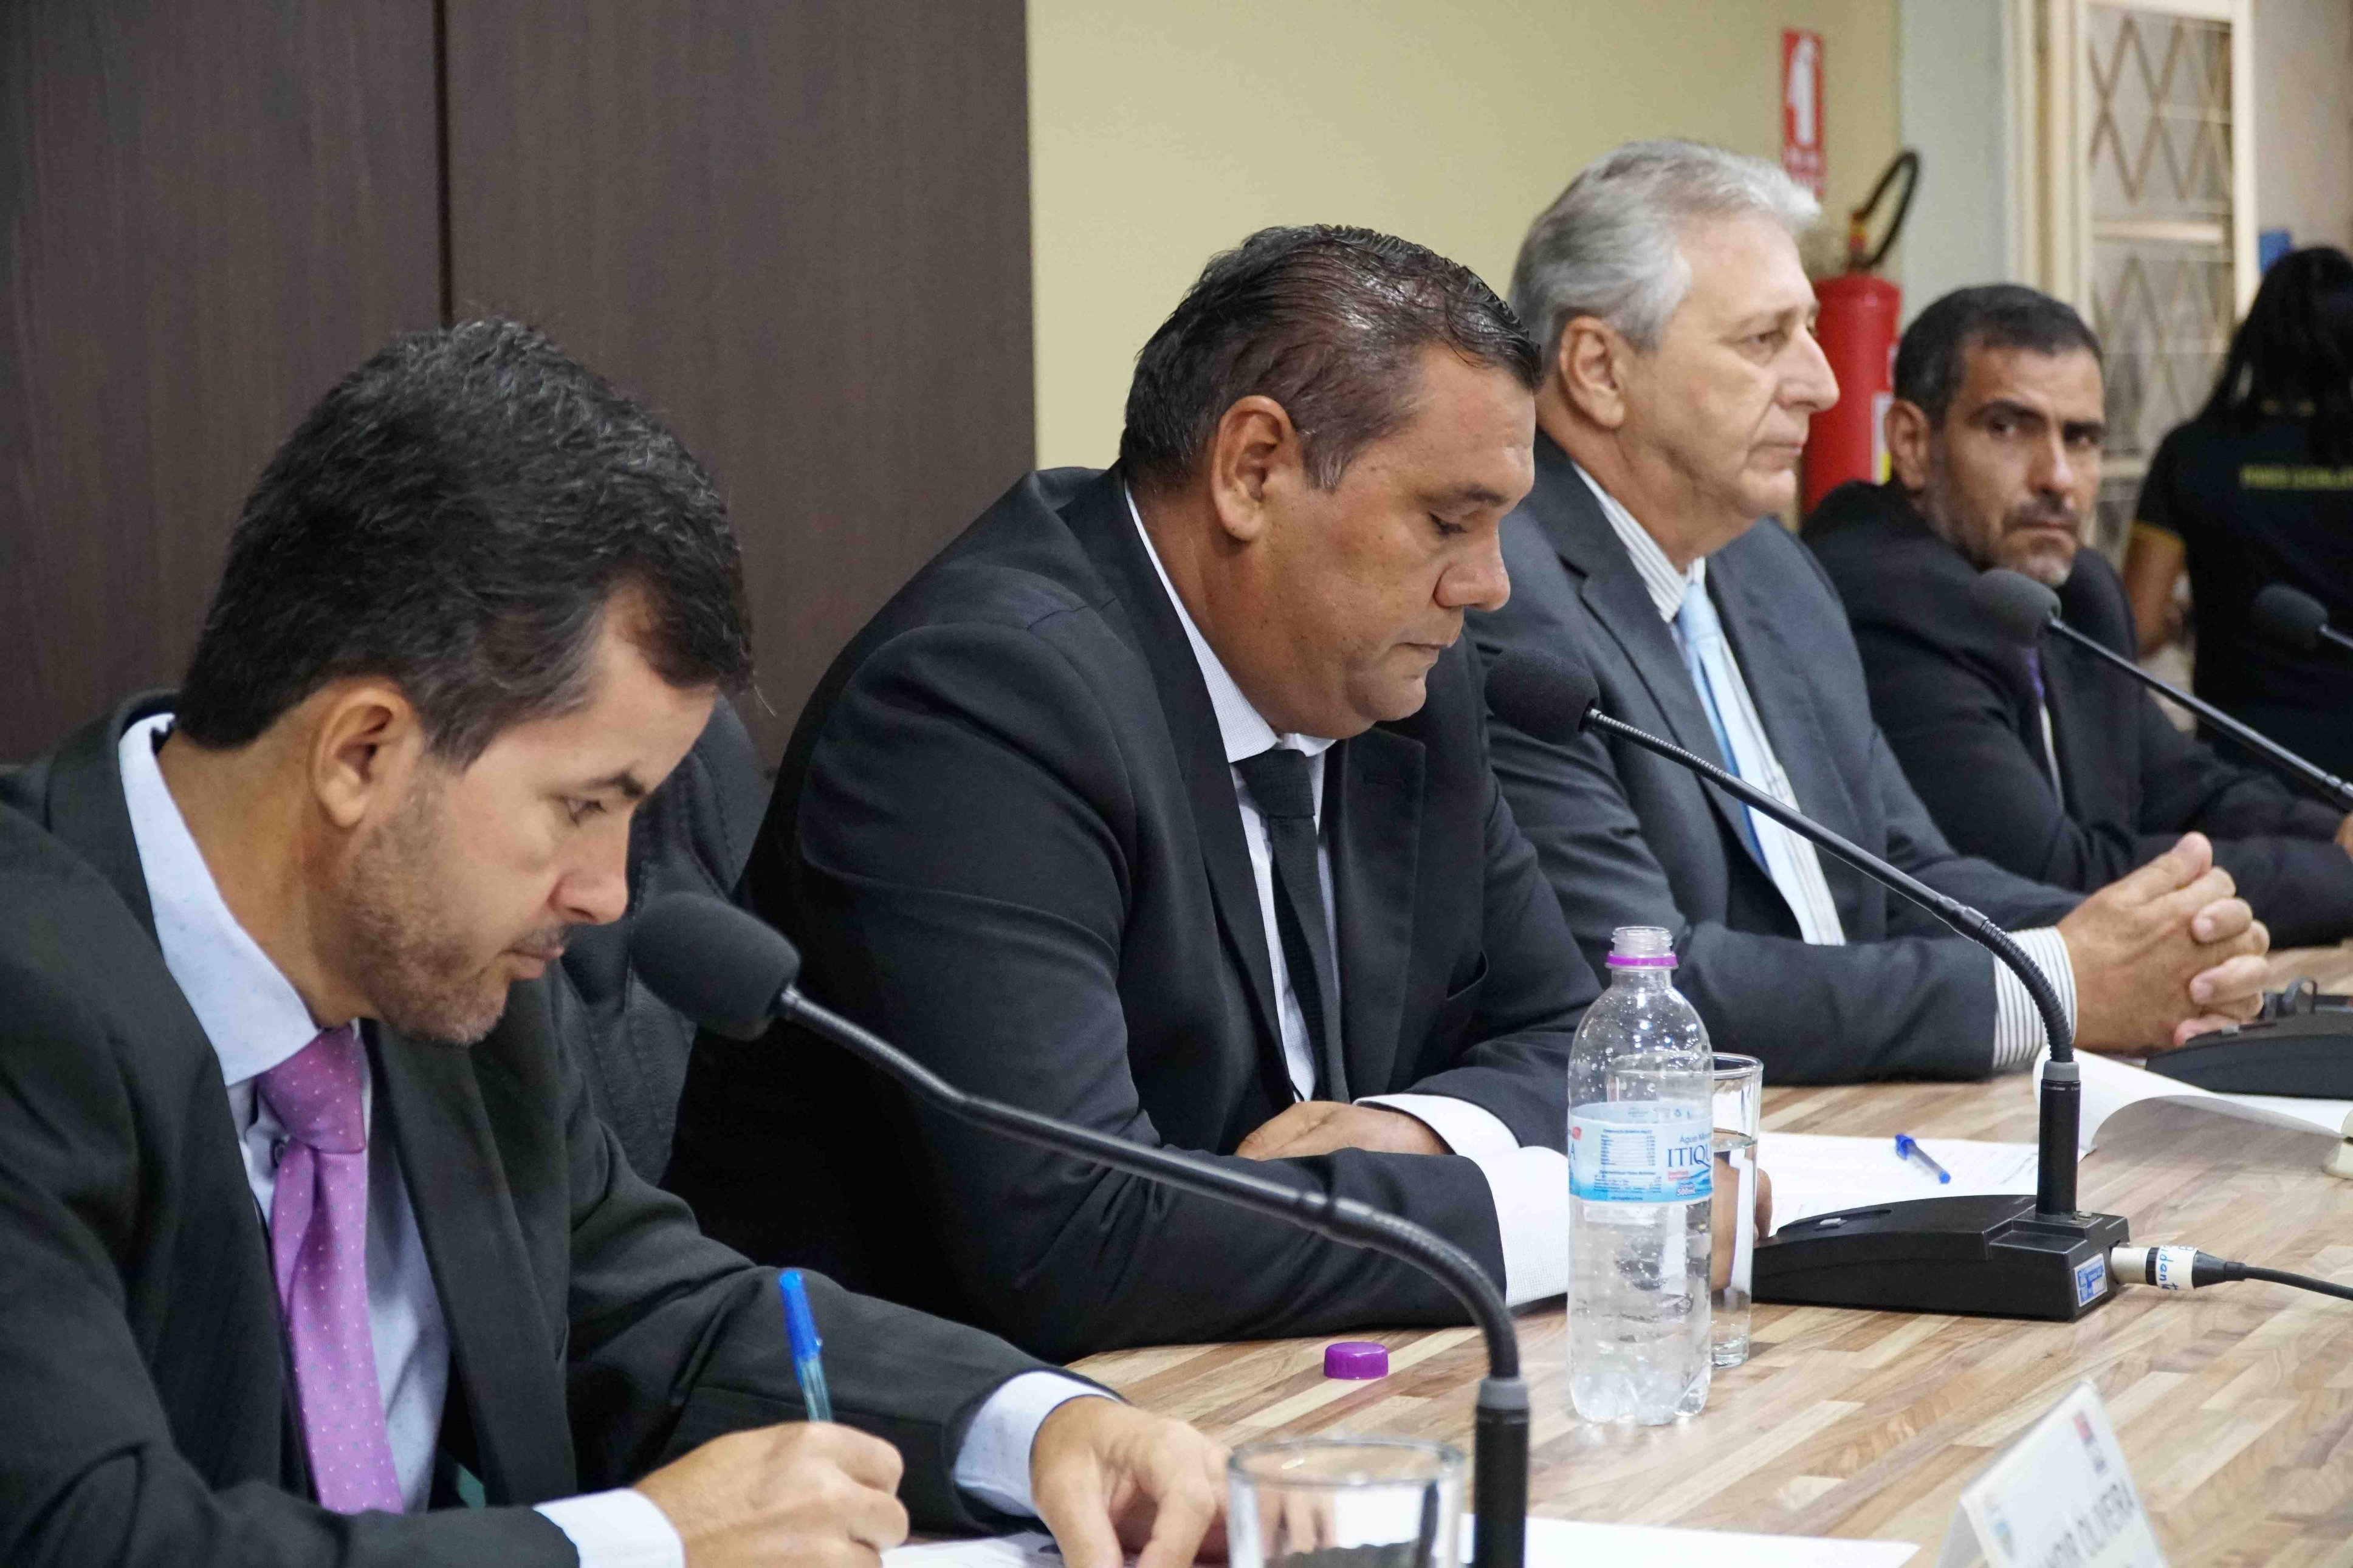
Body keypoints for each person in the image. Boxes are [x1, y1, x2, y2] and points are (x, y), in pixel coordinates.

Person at [0, 321, 1223, 1568]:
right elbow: (84, 1537)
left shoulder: (441, 969)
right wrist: (646, 1543)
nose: (604, 894)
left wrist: (1038, 1426)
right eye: (585, 804)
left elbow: (661, 1318)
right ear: (364, 752)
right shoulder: (24, 998)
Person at [667, 226, 1602, 1361]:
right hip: (929, 1432)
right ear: (1253, 469)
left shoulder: (1399, 685)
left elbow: (1581, 1042)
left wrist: (1423, 1132)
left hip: (1273, 1378)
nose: (1488, 585)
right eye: (1450, 521)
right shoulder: (982, 702)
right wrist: (1574, 1221)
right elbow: (1078, 1239)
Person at [1468, 140, 2272, 1087]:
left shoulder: (1773, 568)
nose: (1823, 383)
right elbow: (1645, 985)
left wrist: (2158, 942)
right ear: (1599, 368)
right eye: (1764, 341)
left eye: (1811, 331)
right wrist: (2059, 984)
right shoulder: (1501, 596)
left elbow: (1900, 868)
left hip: (1863, 1114)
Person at [1808, 284, 2353, 948]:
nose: (2058, 477)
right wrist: (2338, 876)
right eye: (2007, 428)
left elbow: (2178, 785)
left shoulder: (2078, 589)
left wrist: (2333, 830)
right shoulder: (1886, 596)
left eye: (2082, 437)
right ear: (1912, 443)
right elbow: (2053, 878)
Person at [2123, 246, 2353, 778]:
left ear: (2256, 334)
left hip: (2240, 763)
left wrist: (2184, 618)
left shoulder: (2194, 452)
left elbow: (2139, 624)